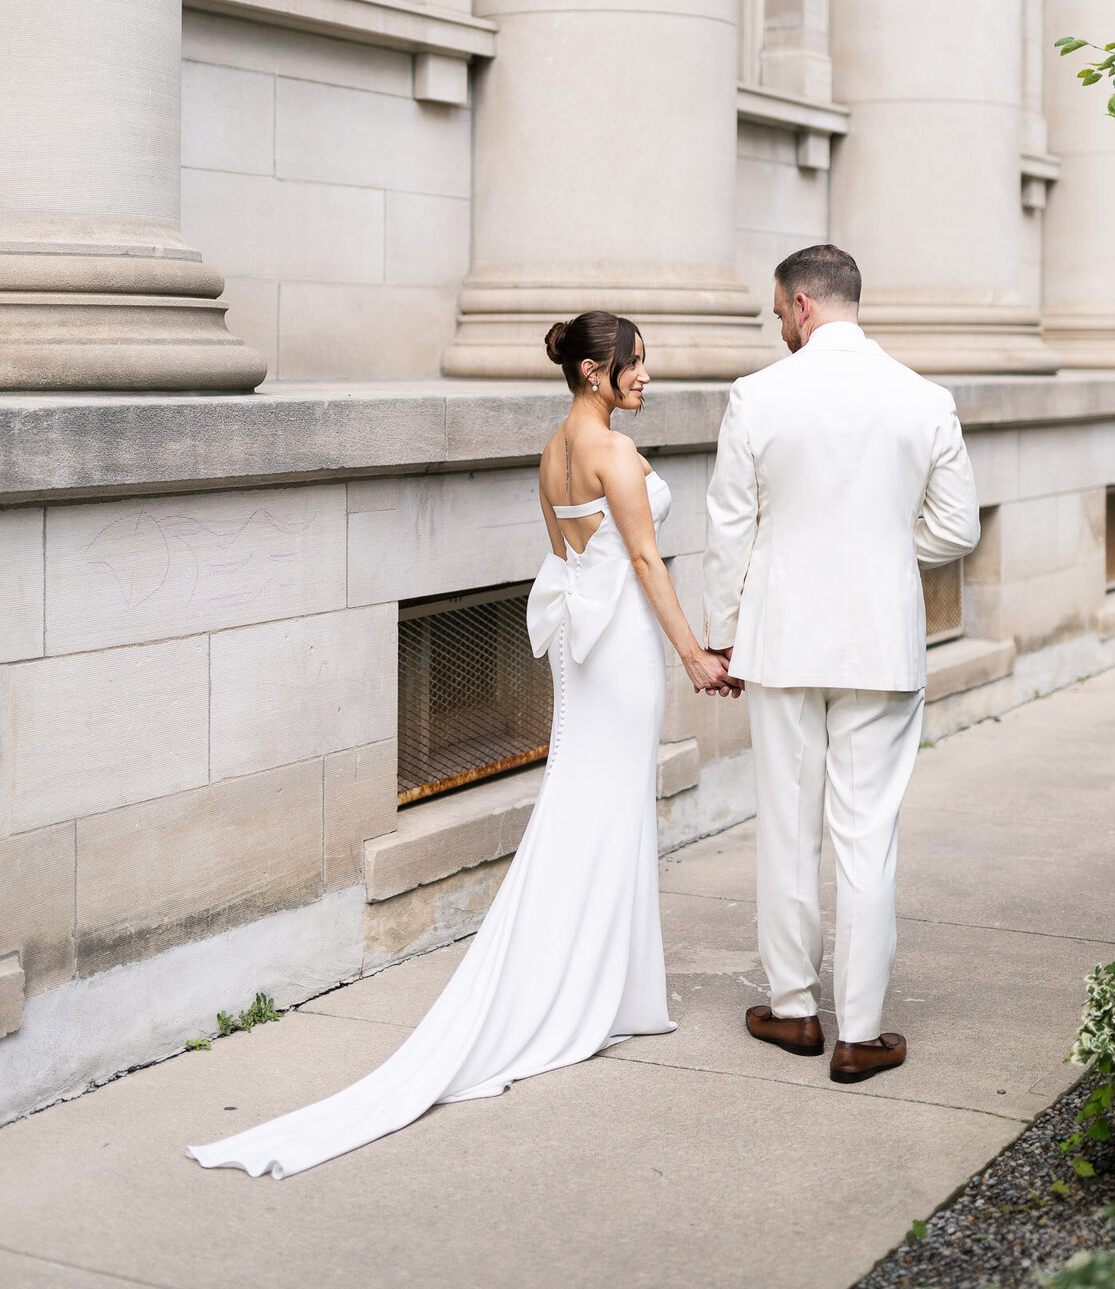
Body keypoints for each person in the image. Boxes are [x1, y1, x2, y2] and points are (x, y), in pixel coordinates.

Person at [186, 311, 730, 1178]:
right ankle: (586, 989)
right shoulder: (614, 456)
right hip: (619, 649)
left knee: (585, 803)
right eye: (636, 364)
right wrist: (695, 654)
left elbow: (562, 554)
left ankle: (605, 985)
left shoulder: (552, 452)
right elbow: (644, 564)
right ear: (596, 371)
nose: (647, 376)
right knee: (608, 806)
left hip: (578, 654)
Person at [702, 245, 979, 1085]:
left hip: (782, 640)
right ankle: (860, 1033)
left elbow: (728, 529)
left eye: (777, 310)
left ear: (799, 307)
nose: (778, 324)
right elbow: (957, 529)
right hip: (882, 644)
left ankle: (792, 1013)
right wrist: (892, 554)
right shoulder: (926, 399)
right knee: (867, 837)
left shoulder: (758, 395)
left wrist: (722, 633)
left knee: (788, 825)